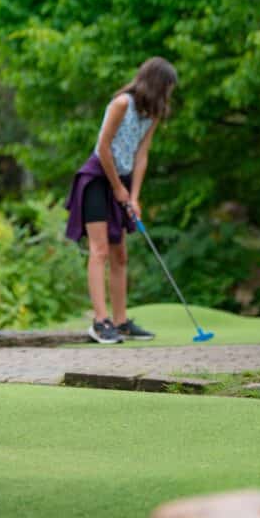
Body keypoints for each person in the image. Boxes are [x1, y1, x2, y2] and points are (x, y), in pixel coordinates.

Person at [64, 57, 178, 344]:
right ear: (155, 83)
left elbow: (142, 155)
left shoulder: (152, 114)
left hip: (123, 182)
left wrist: (134, 196)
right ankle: (100, 322)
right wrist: (117, 187)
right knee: (99, 250)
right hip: (96, 178)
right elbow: (103, 147)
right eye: (166, 88)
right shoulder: (121, 104)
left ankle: (121, 321)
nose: (168, 95)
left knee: (120, 254)